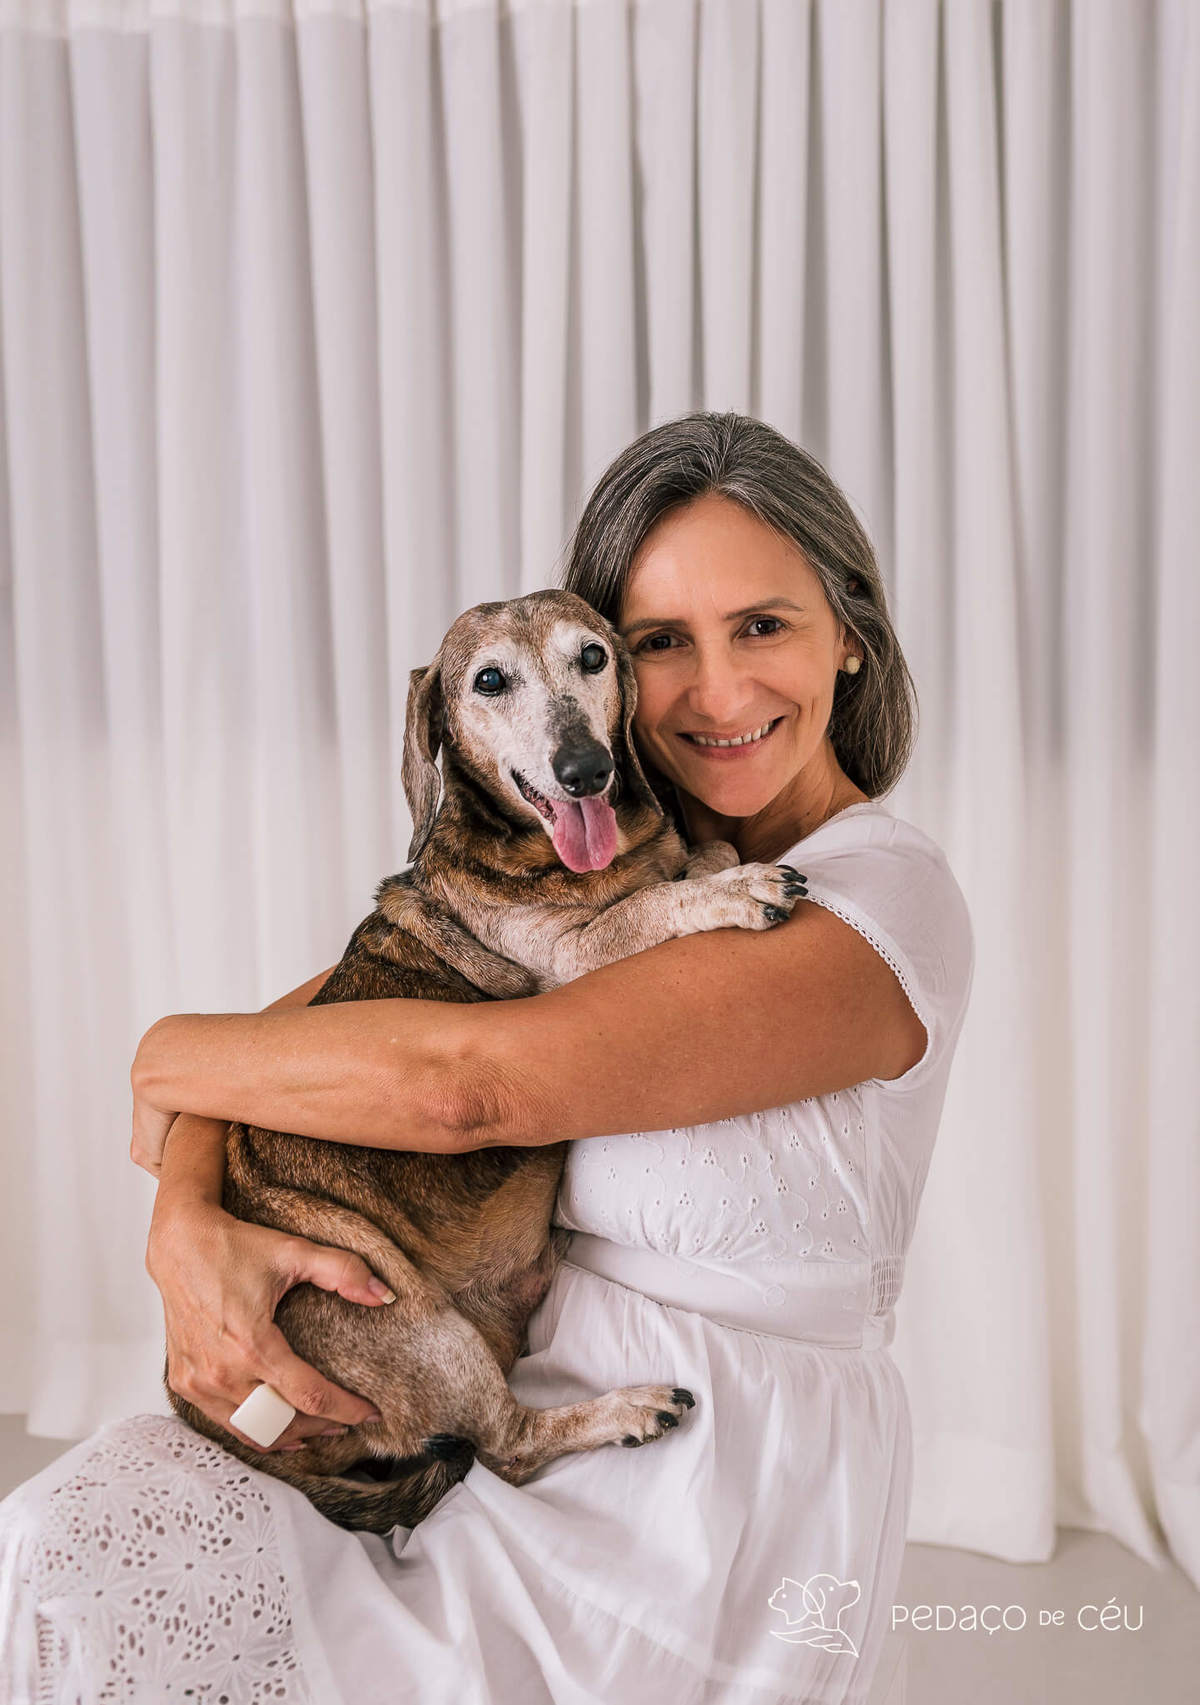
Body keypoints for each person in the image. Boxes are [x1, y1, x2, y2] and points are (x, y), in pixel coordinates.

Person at [0, 412, 973, 1704]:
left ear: (851, 632)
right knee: (58, 1561)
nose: (718, 691)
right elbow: (308, 1040)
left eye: (765, 625)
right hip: (494, 1451)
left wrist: (160, 1050)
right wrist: (185, 1222)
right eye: (658, 643)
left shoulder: (869, 904)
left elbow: (462, 1085)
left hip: (699, 1515)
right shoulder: (612, 881)